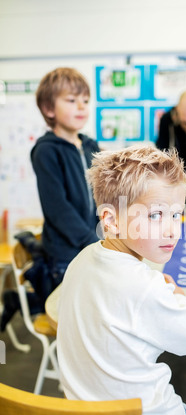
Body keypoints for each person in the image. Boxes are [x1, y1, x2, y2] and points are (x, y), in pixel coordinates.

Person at [56, 145, 186, 415]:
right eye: (156, 215)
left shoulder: (81, 259)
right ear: (112, 220)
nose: (173, 230)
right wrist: (178, 296)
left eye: (177, 214)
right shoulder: (146, 286)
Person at [31, 67, 100, 291]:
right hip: (66, 253)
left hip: (92, 244)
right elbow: (57, 208)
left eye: (85, 100)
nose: (81, 106)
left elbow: (103, 190)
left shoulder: (90, 146)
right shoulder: (47, 150)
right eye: (71, 100)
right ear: (49, 109)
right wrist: (90, 240)